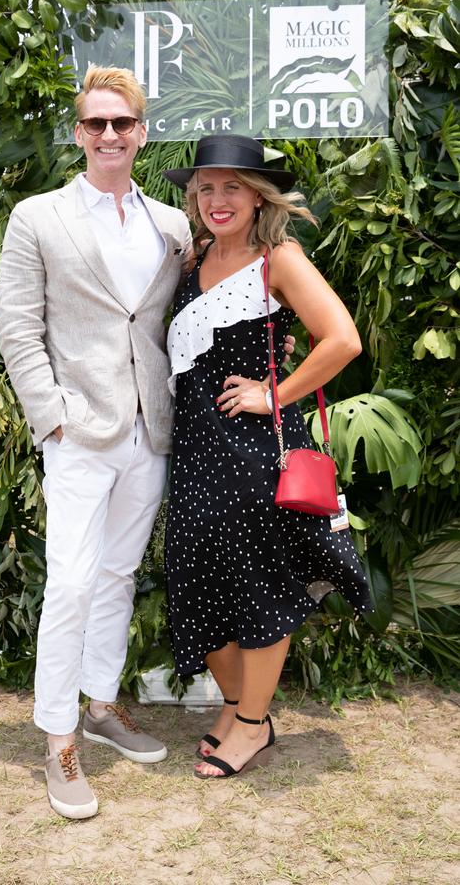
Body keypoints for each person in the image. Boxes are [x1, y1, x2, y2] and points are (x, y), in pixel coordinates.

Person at [0, 66, 192, 819]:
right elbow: (18, 328)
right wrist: (51, 417)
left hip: (150, 429)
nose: (109, 134)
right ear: (79, 132)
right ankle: (58, 738)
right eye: (96, 123)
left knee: (116, 575)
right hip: (78, 431)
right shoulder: (37, 216)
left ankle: (102, 705)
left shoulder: (171, 226)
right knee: (71, 582)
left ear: (142, 132)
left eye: (123, 122)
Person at [162, 134, 372, 780]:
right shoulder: (194, 258)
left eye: (232, 187)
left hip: (252, 454)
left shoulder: (278, 258)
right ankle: (235, 708)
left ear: (258, 196)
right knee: (201, 585)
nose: (217, 199)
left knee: (256, 590)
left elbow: (342, 340)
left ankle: (252, 727)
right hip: (196, 453)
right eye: (205, 188)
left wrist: (272, 394)